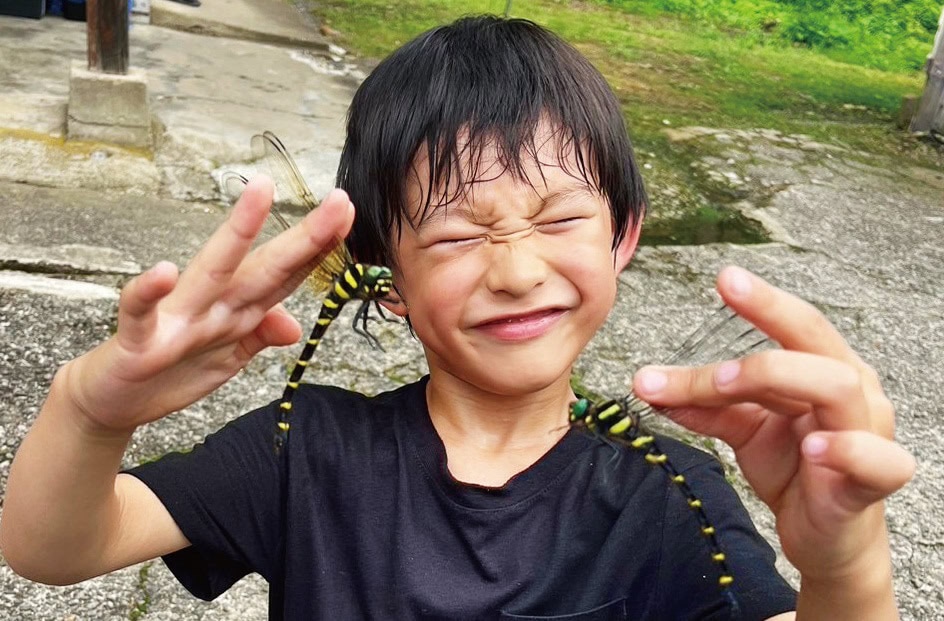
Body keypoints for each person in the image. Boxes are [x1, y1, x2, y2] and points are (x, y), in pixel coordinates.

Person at [0, 15, 914, 621]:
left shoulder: (669, 491)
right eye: (452, 237)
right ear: (384, 278)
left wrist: (846, 565)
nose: (517, 271)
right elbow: (51, 549)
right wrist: (89, 410)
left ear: (624, 234)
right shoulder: (300, 446)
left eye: (558, 219)